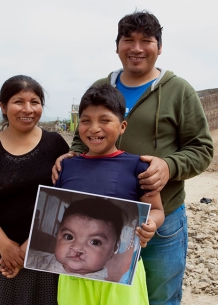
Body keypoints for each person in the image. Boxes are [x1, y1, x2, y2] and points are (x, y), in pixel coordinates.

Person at [53, 10, 214, 305]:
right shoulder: (101, 87)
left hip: (158, 217)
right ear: (117, 47)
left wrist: (169, 166)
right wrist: (71, 157)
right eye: (129, 40)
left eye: (146, 40)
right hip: (97, 222)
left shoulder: (179, 91)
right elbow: (81, 136)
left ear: (159, 47)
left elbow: (202, 148)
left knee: (159, 295)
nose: (136, 48)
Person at [54, 83, 165, 305]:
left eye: (104, 120)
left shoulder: (139, 167)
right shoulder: (67, 167)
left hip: (122, 277)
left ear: (123, 126)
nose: (94, 128)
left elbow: (157, 210)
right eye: (86, 121)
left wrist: (150, 224)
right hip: (73, 278)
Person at [0, 75, 70, 304]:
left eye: (35, 102)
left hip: (47, 252)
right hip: (2, 256)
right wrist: (6, 247)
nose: (28, 109)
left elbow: (64, 198)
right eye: (18, 102)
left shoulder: (55, 144)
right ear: (3, 107)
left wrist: (28, 248)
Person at [26, 198, 125, 281]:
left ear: (113, 250)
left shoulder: (103, 284)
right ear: (58, 235)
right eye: (69, 237)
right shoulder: (40, 260)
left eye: (95, 242)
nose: (77, 248)